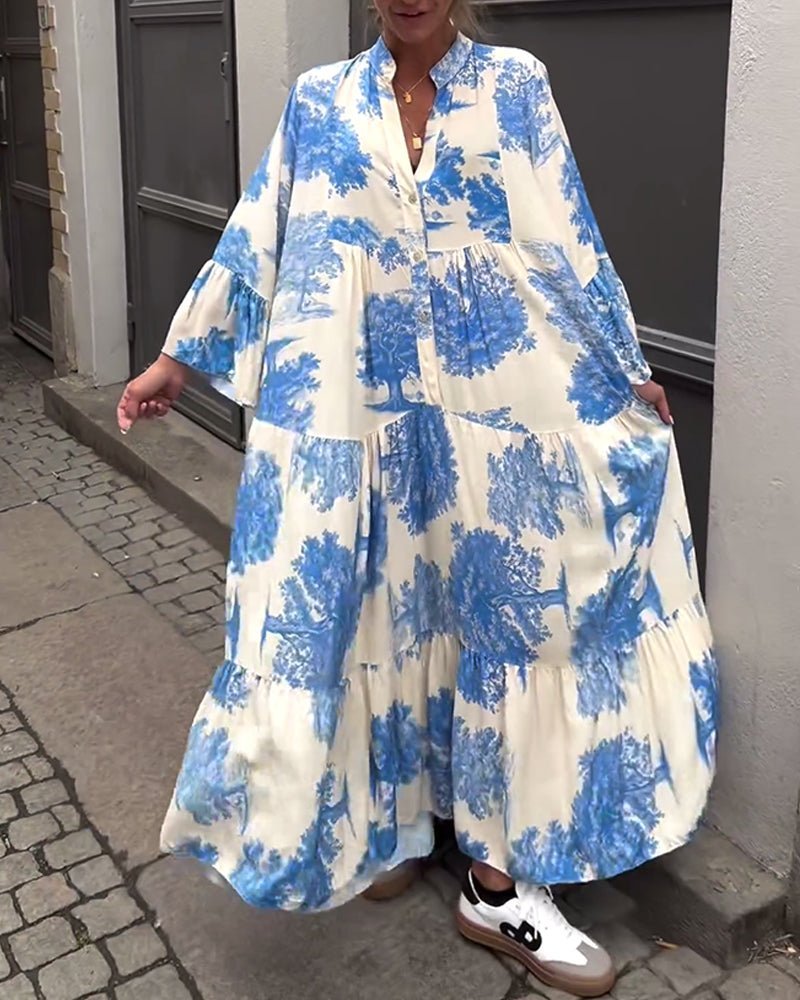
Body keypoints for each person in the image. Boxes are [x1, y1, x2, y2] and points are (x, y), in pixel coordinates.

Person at [117, 1, 719, 996]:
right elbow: (260, 232)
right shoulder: (319, 101)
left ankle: (496, 882)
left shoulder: (514, 85)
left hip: (496, 413)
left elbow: (568, 240)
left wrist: (624, 370)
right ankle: (383, 824)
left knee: (509, 616)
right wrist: (177, 361)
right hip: (361, 418)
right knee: (375, 609)